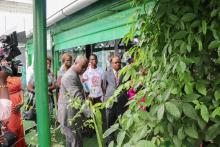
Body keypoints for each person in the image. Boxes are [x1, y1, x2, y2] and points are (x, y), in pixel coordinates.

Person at [57, 55, 88, 147]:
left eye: (86, 67)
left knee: (73, 140)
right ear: (75, 63)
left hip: (72, 113)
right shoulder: (69, 76)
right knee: (74, 141)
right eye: (82, 67)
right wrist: (90, 113)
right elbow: (77, 97)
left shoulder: (75, 74)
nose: (84, 70)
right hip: (68, 114)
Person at [102, 55, 128, 145]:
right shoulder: (106, 73)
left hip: (122, 101)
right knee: (109, 121)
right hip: (110, 101)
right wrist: (107, 96)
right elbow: (103, 86)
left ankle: (119, 139)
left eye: (119, 62)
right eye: (116, 62)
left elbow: (127, 85)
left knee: (121, 121)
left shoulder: (124, 72)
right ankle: (110, 140)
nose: (118, 64)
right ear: (111, 63)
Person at [6, 61, 26, 147]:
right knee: (11, 130)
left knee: (18, 129)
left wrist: (22, 101)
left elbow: (20, 90)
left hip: (17, 109)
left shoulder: (15, 74)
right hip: (6, 109)